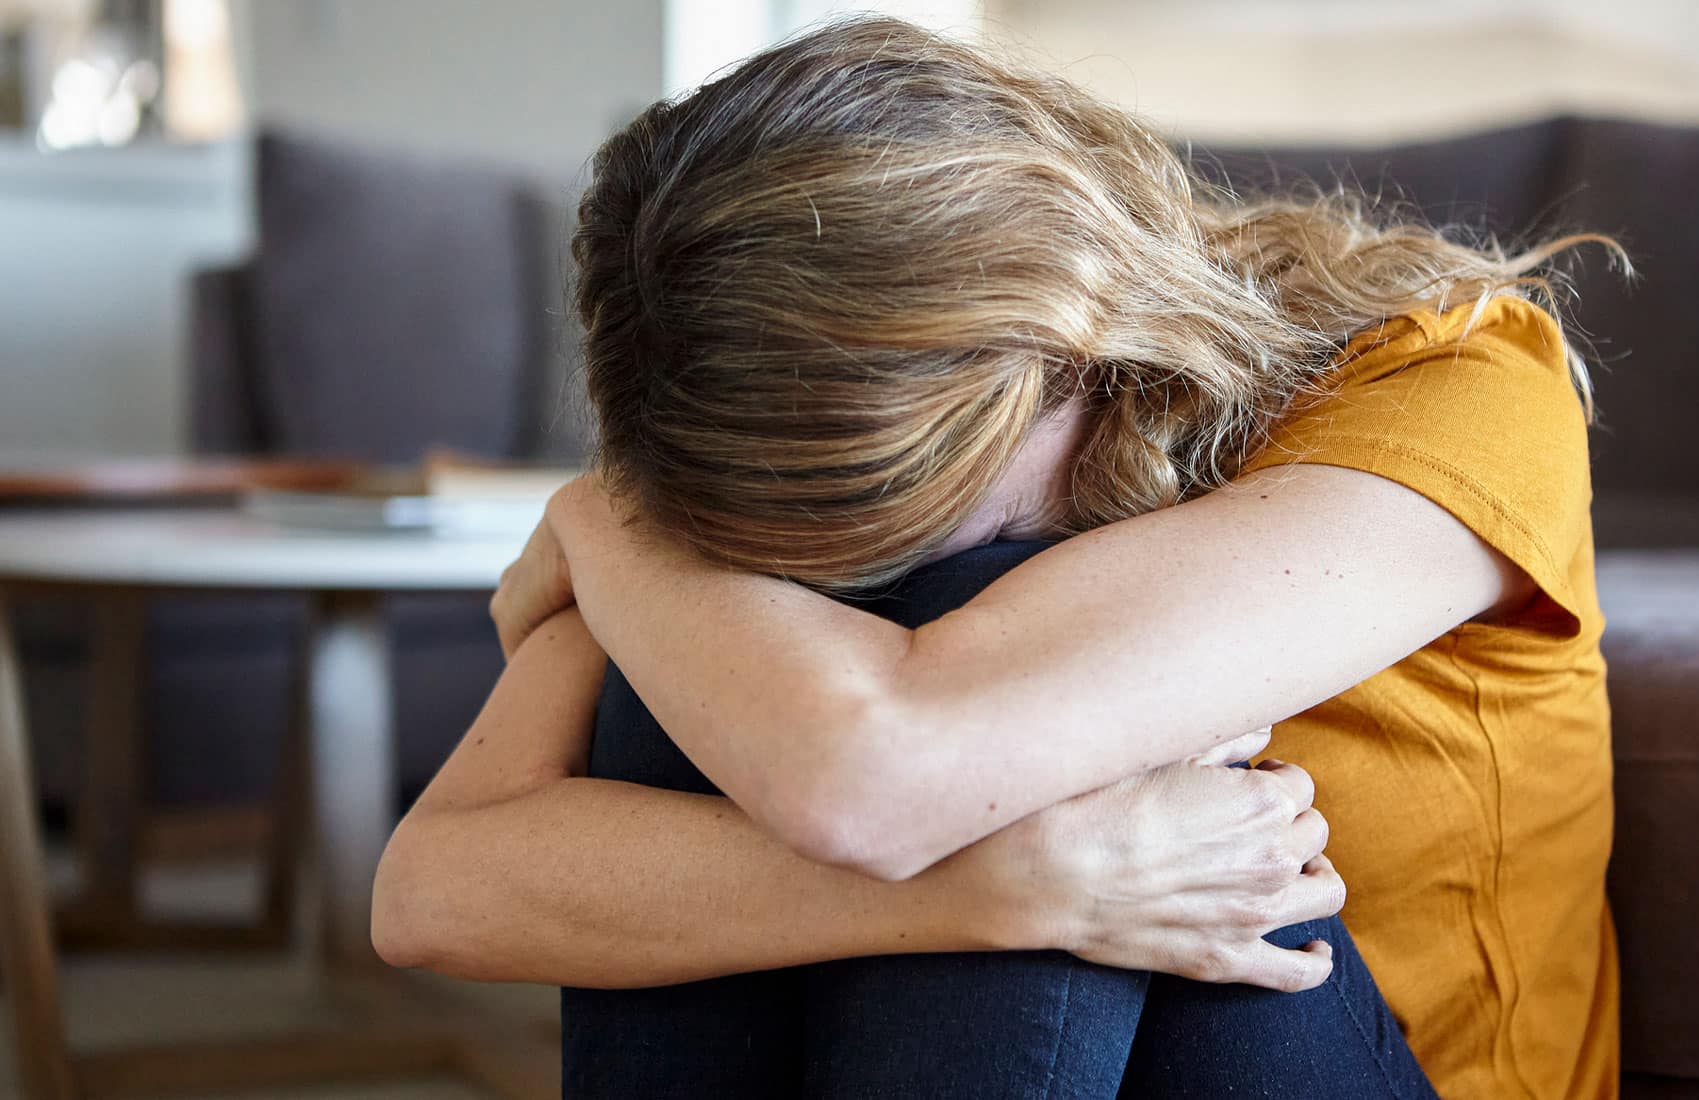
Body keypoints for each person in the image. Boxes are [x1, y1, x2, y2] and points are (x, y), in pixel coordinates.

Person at [372, 15, 1626, 1098]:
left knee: (979, 717)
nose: (889, 555)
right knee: (717, 667)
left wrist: (603, 530)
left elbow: (887, 767)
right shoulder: (760, 438)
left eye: (926, 504)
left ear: (1076, 331)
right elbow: (434, 887)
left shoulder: (1458, 381)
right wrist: (1007, 889)